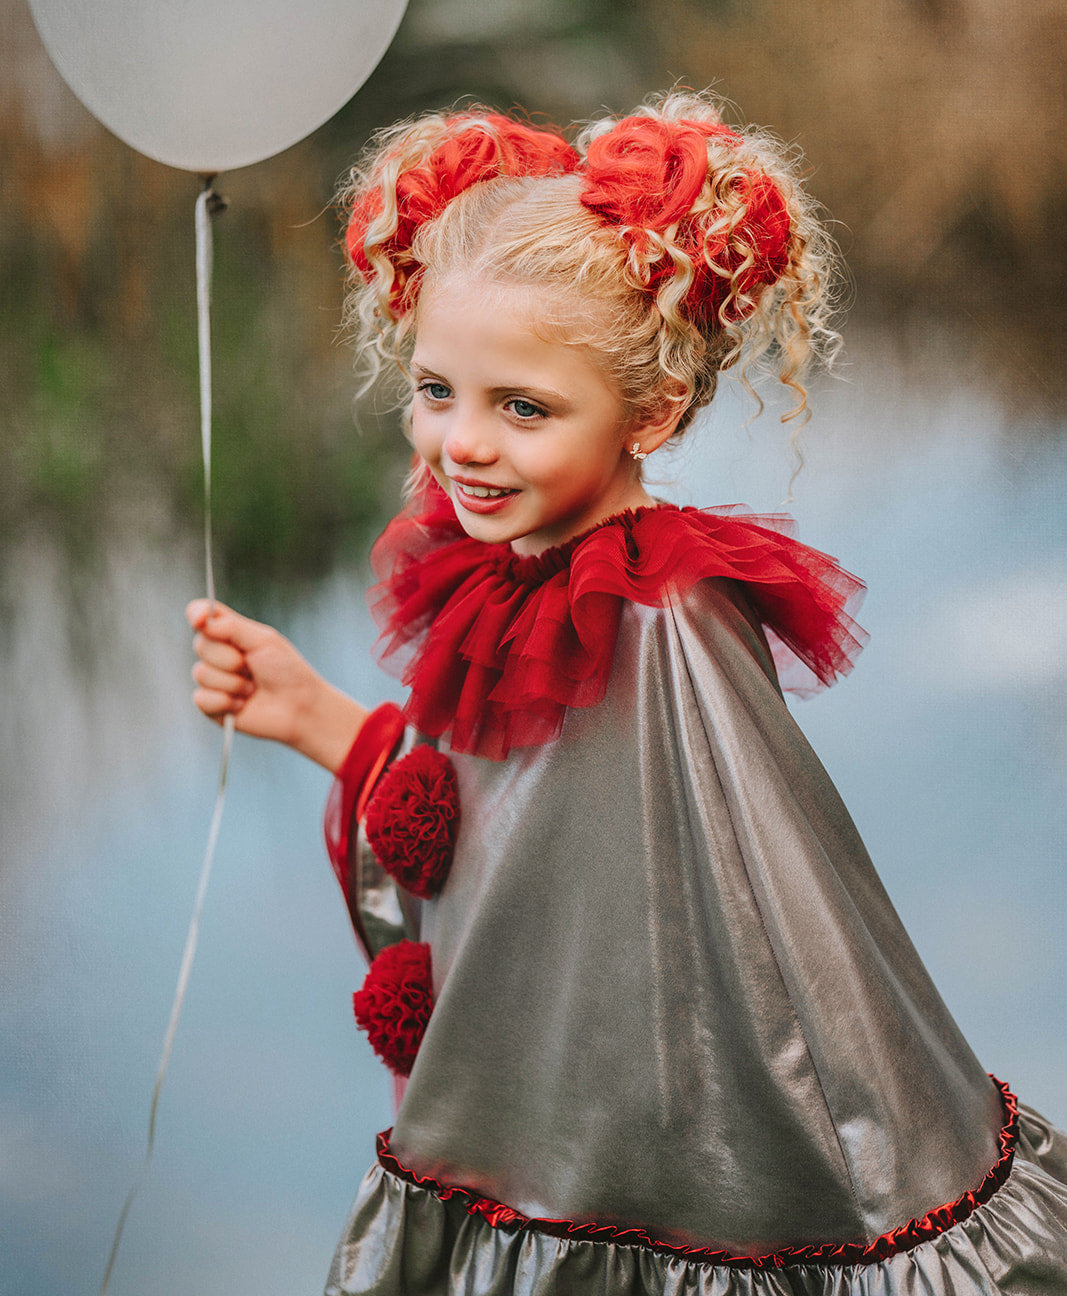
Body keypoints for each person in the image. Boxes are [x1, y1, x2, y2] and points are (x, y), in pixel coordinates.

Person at [188, 94, 1067, 1296]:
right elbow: (507, 832)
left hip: (646, 1176)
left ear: (646, 413)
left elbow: (775, 936)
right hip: (532, 1116)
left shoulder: (663, 620)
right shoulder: (499, 576)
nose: (462, 445)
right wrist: (315, 717)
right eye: (437, 388)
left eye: (523, 408)